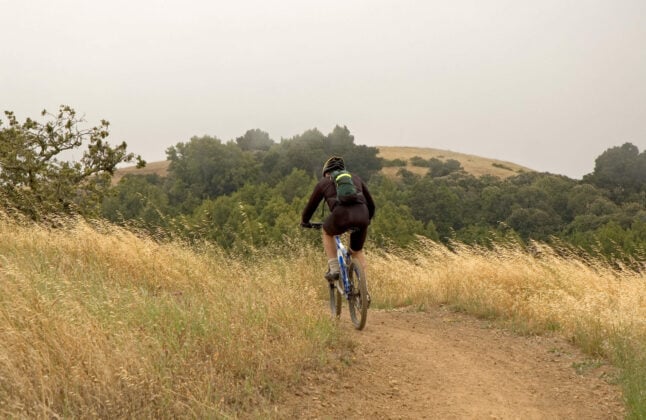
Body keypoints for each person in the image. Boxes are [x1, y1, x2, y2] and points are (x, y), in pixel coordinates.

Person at [301, 156, 376, 281]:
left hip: (341, 215)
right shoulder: (356, 178)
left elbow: (311, 206)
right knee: (357, 251)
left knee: (326, 231)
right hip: (363, 215)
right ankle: (364, 290)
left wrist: (305, 221)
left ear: (326, 172)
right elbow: (371, 204)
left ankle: (335, 268)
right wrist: (368, 219)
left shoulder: (324, 182)